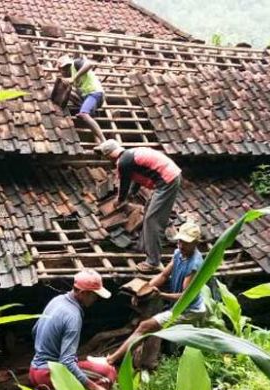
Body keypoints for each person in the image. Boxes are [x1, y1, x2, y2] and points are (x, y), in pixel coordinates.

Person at [105, 221, 205, 366]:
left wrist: (161, 295)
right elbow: (164, 275)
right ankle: (139, 360)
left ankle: (111, 360)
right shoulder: (178, 253)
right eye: (180, 241)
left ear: (196, 243)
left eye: (186, 243)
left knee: (144, 326)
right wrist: (142, 290)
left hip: (190, 309)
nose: (181, 245)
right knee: (149, 329)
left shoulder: (195, 264)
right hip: (177, 306)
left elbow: (185, 297)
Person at [29, 269, 116, 390]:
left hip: (34, 370)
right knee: (108, 371)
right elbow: (67, 361)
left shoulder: (57, 300)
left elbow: (35, 330)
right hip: (49, 374)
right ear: (83, 293)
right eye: (94, 295)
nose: (96, 299)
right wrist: (94, 388)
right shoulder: (73, 316)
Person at [94, 139, 182, 273]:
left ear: (109, 155)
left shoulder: (123, 162)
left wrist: (120, 200)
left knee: (153, 220)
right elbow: (137, 179)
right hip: (168, 178)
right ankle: (143, 246)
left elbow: (124, 185)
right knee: (148, 211)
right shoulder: (130, 156)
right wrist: (131, 194)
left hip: (166, 182)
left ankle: (153, 262)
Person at [57, 55, 106, 143]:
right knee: (89, 119)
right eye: (63, 68)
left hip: (95, 93)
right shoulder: (69, 76)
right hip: (86, 97)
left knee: (84, 114)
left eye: (66, 67)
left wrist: (74, 78)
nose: (65, 70)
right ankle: (100, 143)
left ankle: (104, 140)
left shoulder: (76, 63)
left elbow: (90, 64)